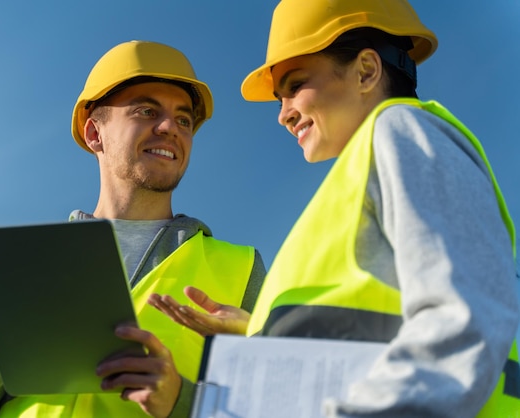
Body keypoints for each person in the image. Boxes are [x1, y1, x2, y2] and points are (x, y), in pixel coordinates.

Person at [152, 1, 520, 416]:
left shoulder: (401, 131)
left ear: (366, 71)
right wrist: (259, 330)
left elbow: (464, 319)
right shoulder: (362, 172)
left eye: (295, 86)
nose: (283, 115)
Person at [0, 40, 266, 418]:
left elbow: (280, 406)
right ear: (93, 134)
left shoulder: (241, 268)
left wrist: (181, 401)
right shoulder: (29, 261)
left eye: (184, 120)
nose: (170, 127)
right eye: (146, 110)